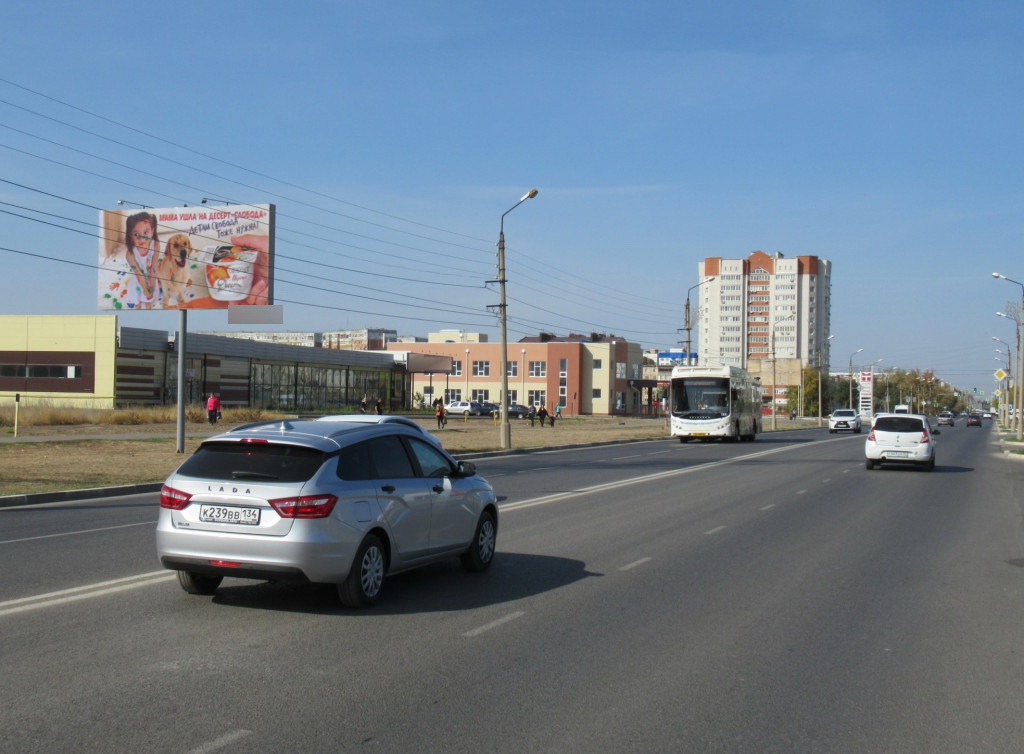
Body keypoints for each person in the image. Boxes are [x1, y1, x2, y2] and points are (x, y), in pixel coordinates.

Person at [100, 212, 164, 310]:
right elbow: (139, 274)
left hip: (151, 277)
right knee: (137, 303)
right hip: (139, 281)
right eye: (136, 234)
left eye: (146, 232)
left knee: (148, 304)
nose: (141, 238)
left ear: (152, 231)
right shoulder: (130, 254)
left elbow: (154, 267)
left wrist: (151, 288)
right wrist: (147, 292)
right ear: (130, 235)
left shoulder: (155, 245)